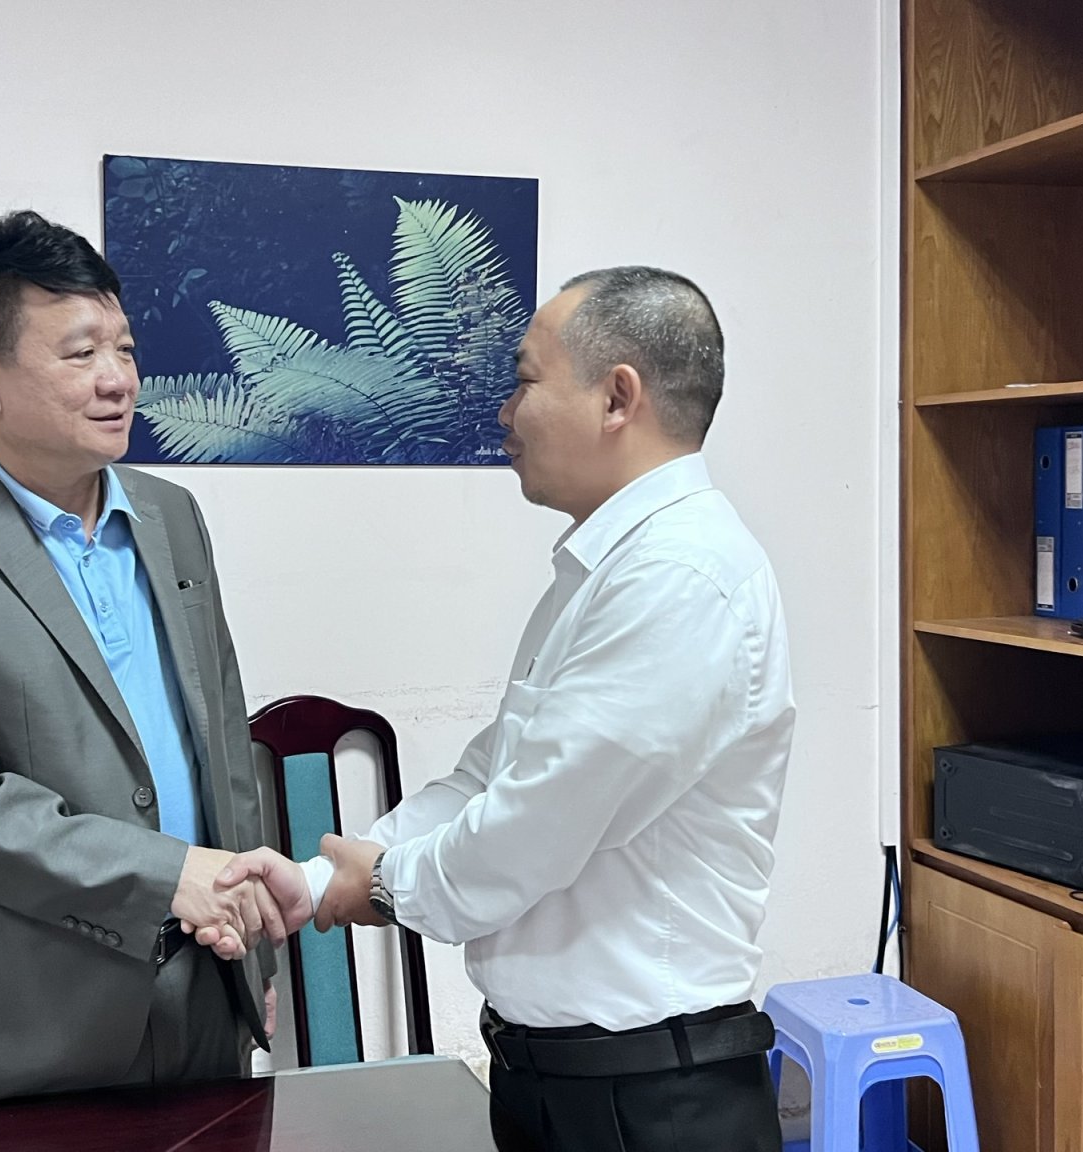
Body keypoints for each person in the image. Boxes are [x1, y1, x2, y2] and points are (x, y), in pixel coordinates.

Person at [208, 267, 796, 1152]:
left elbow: (536, 825)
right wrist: (328, 878)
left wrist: (384, 885)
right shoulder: (606, 568)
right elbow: (494, 773)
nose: (503, 411)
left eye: (524, 381)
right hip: (562, 1080)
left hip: (650, 1099)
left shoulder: (679, 579)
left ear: (617, 398)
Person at [0, 210, 284, 1113]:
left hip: (203, 992)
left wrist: (252, 958)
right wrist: (165, 877)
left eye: (125, 348)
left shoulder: (171, 514)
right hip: (22, 1023)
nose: (119, 379)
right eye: (80, 354)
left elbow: (220, 742)